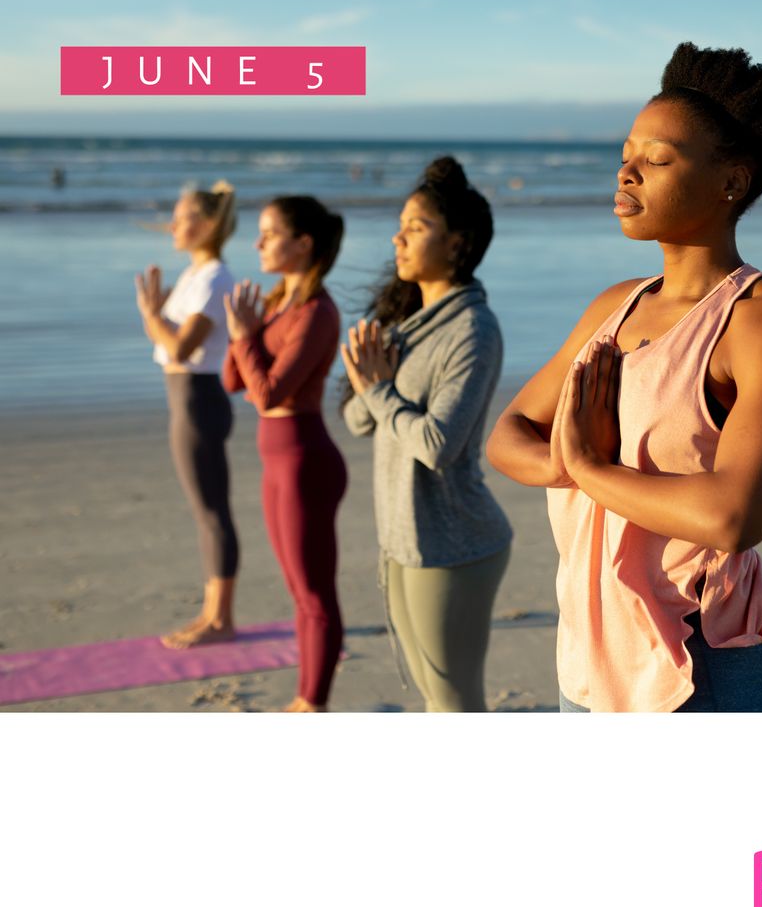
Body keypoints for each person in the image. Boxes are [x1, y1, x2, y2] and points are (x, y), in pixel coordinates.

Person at [486, 43, 762, 712]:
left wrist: (585, 466)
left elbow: (734, 517)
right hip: (591, 642)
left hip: (701, 651)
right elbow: (508, 434)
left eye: (657, 159)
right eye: (626, 156)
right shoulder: (615, 306)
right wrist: (566, 464)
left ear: (731, 180)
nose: (627, 172)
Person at [339, 157, 512, 712]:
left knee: (455, 705)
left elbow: (439, 445)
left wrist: (380, 390)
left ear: (457, 244)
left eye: (416, 227)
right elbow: (358, 421)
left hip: (455, 545)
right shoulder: (409, 325)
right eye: (401, 224)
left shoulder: (473, 331)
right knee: (434, 699)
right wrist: (370, 383)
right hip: (403, 538)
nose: (399, 237)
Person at [223, 196, 347, 713]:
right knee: (297, 590)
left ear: (303, 244)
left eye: (270, 233)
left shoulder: (318, 311)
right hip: (275, 460)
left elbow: (270, 393)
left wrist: (245, 338)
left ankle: (312, 703)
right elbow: (235, 380)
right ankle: (306, 697)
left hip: (304, 461)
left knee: (315, 593)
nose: (258, 243)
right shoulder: (277, 303)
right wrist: (246, 335)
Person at [135, 181, 240, 649]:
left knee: (212, 512)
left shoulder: (216, 276)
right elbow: (165, 340)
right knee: (206, 513)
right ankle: (212, 613)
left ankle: (221, 620)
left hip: (199, 400)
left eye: (182, 216)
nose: (173, 225)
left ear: (208, 224)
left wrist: (151, 314)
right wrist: (155, 316)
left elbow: (179, 345)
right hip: (182, 397)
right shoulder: (196, 275)